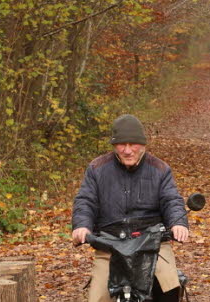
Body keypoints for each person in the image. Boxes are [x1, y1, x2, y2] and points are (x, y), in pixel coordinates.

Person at [72, 114, 189, 302]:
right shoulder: (97, 168)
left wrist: (178, 223)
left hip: (152, 243)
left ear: (142, 144)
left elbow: (171, 200)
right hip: (110, 245)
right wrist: (82, 226)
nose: (127, 150)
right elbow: (85, 201)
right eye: (121, 144)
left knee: (169, 286)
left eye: (133, 144)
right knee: (97, 297)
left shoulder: (160, 169)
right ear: (114, 145)